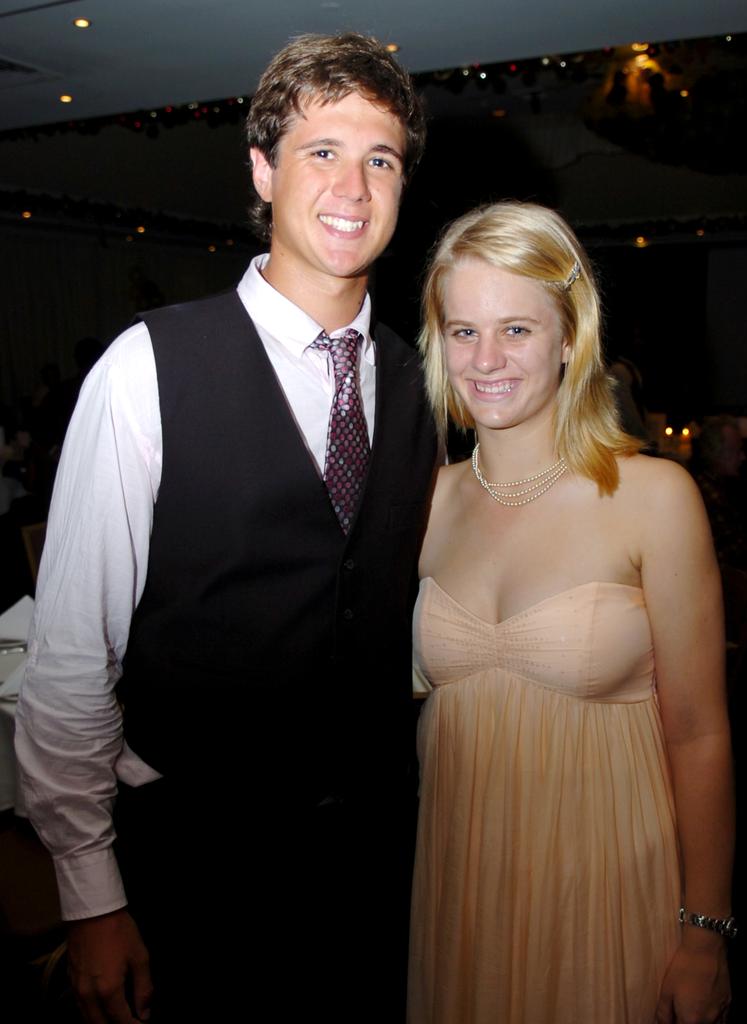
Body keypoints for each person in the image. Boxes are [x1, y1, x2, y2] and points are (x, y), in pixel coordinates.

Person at [16, 33, 436, 1023]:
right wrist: (91, 894)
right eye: (321, 151)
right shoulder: (147, 368)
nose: (354, 186)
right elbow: (72, 650)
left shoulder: (422, 382)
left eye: (381, 158)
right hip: (197, 860)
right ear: (262, 168)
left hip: (379, 857)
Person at [407, 201, 734, 1024]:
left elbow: (700, 734)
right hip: (462, 889)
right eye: (463, 330)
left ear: (569, 335)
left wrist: (705, 934)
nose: (487, 359)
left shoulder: (653, 497)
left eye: (516, 329)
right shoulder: (421, 506)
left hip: (609, 890)